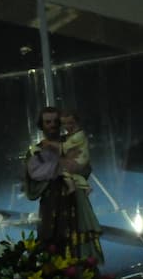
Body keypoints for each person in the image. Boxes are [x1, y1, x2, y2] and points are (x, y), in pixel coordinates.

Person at [24, 106, 103, 263]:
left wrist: (68, 166)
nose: (52, 125)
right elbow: (33, 179)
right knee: (54, 244)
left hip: (75, 201)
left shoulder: (71, 142)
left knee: (79, 244)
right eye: (48, 122)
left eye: (55, 121)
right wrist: (60, 165)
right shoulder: (37, 150)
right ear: (42, 125)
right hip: (52, 204)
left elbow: (83, 167)